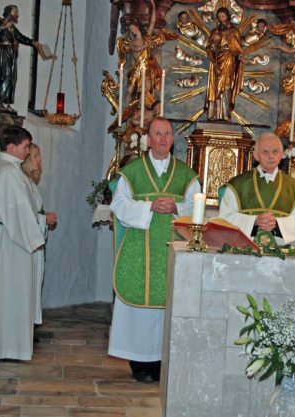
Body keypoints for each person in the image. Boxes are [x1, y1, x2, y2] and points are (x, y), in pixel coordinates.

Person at [109, 117, 201, 383]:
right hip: (141, 246)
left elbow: (197, 209)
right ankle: (139, 363)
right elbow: (119, 206)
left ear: (173, 139)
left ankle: (163, 363)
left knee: (168, 307)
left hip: (174, 248)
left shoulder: (187, 176)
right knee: (140, 308)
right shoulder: (132, 172)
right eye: (158, 134)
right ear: (148, 139)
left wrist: (177, 208)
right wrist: (148, 207)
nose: (163, 139)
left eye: (168, 134)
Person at [0, 126, 45, 360]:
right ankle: (9, 348)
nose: (28, 151)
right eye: (25, 147)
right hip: (14, 242)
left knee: (8, 293)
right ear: (11, 147)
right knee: (12, 294)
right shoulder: (9, 172)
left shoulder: (4, 168)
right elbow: (17, 211)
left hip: (8, 238)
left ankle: (5, 346)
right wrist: (34, 239)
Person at [219, 132, 295, 246]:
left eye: (275, 151)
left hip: (282, 250)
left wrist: (277, 223)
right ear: (256, 155)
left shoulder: (294, 188)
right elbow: (224, 218)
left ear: (281, 154)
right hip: (244, 249)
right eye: (265, 152)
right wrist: (254, 221)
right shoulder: (237, 185)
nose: (271, 156)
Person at [117, 0, 177, 111]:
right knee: (130, 90)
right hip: (137, 69)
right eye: (131, 29)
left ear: (137, 27)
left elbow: (153, 21)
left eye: (133, 27)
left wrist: (153, 7)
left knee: (148, 90)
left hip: (146, 68)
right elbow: (136, 49)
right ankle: (126, 111)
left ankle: (143, 110)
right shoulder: (133, 42)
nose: (133, 30)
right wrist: (147, 46)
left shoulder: (147, 38)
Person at [21, 143, 57, 325]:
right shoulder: (23, 183)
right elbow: (22, 216)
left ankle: (30, 323)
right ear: (26, 159)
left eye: (39, 157)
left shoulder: (30, 184)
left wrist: (44, 218)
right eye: (35, 157)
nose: (39, 161)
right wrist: (43, 219)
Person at [0, 5, 42, 112]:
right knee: (3, 76)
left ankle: (6, 103)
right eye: (15, 12)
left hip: (11, 55)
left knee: (11, 78)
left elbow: (20, 37)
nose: (17, 15)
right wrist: (3, 27)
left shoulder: (12, 27)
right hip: (2, 54)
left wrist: (33, 42)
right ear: (9, 13)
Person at [205, 7, 244, 121]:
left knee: (226, 86)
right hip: (216, 63)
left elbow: (238, 50)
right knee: (215, 87)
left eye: (223, 16)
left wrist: (240, 57)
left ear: (227, 17)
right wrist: (213, 45)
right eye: (219, 17)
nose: (221, 19)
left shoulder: (234, 32)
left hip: (228, 61)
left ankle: (225, 114)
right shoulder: (215, 32)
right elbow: (209, 48)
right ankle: (213, 114)